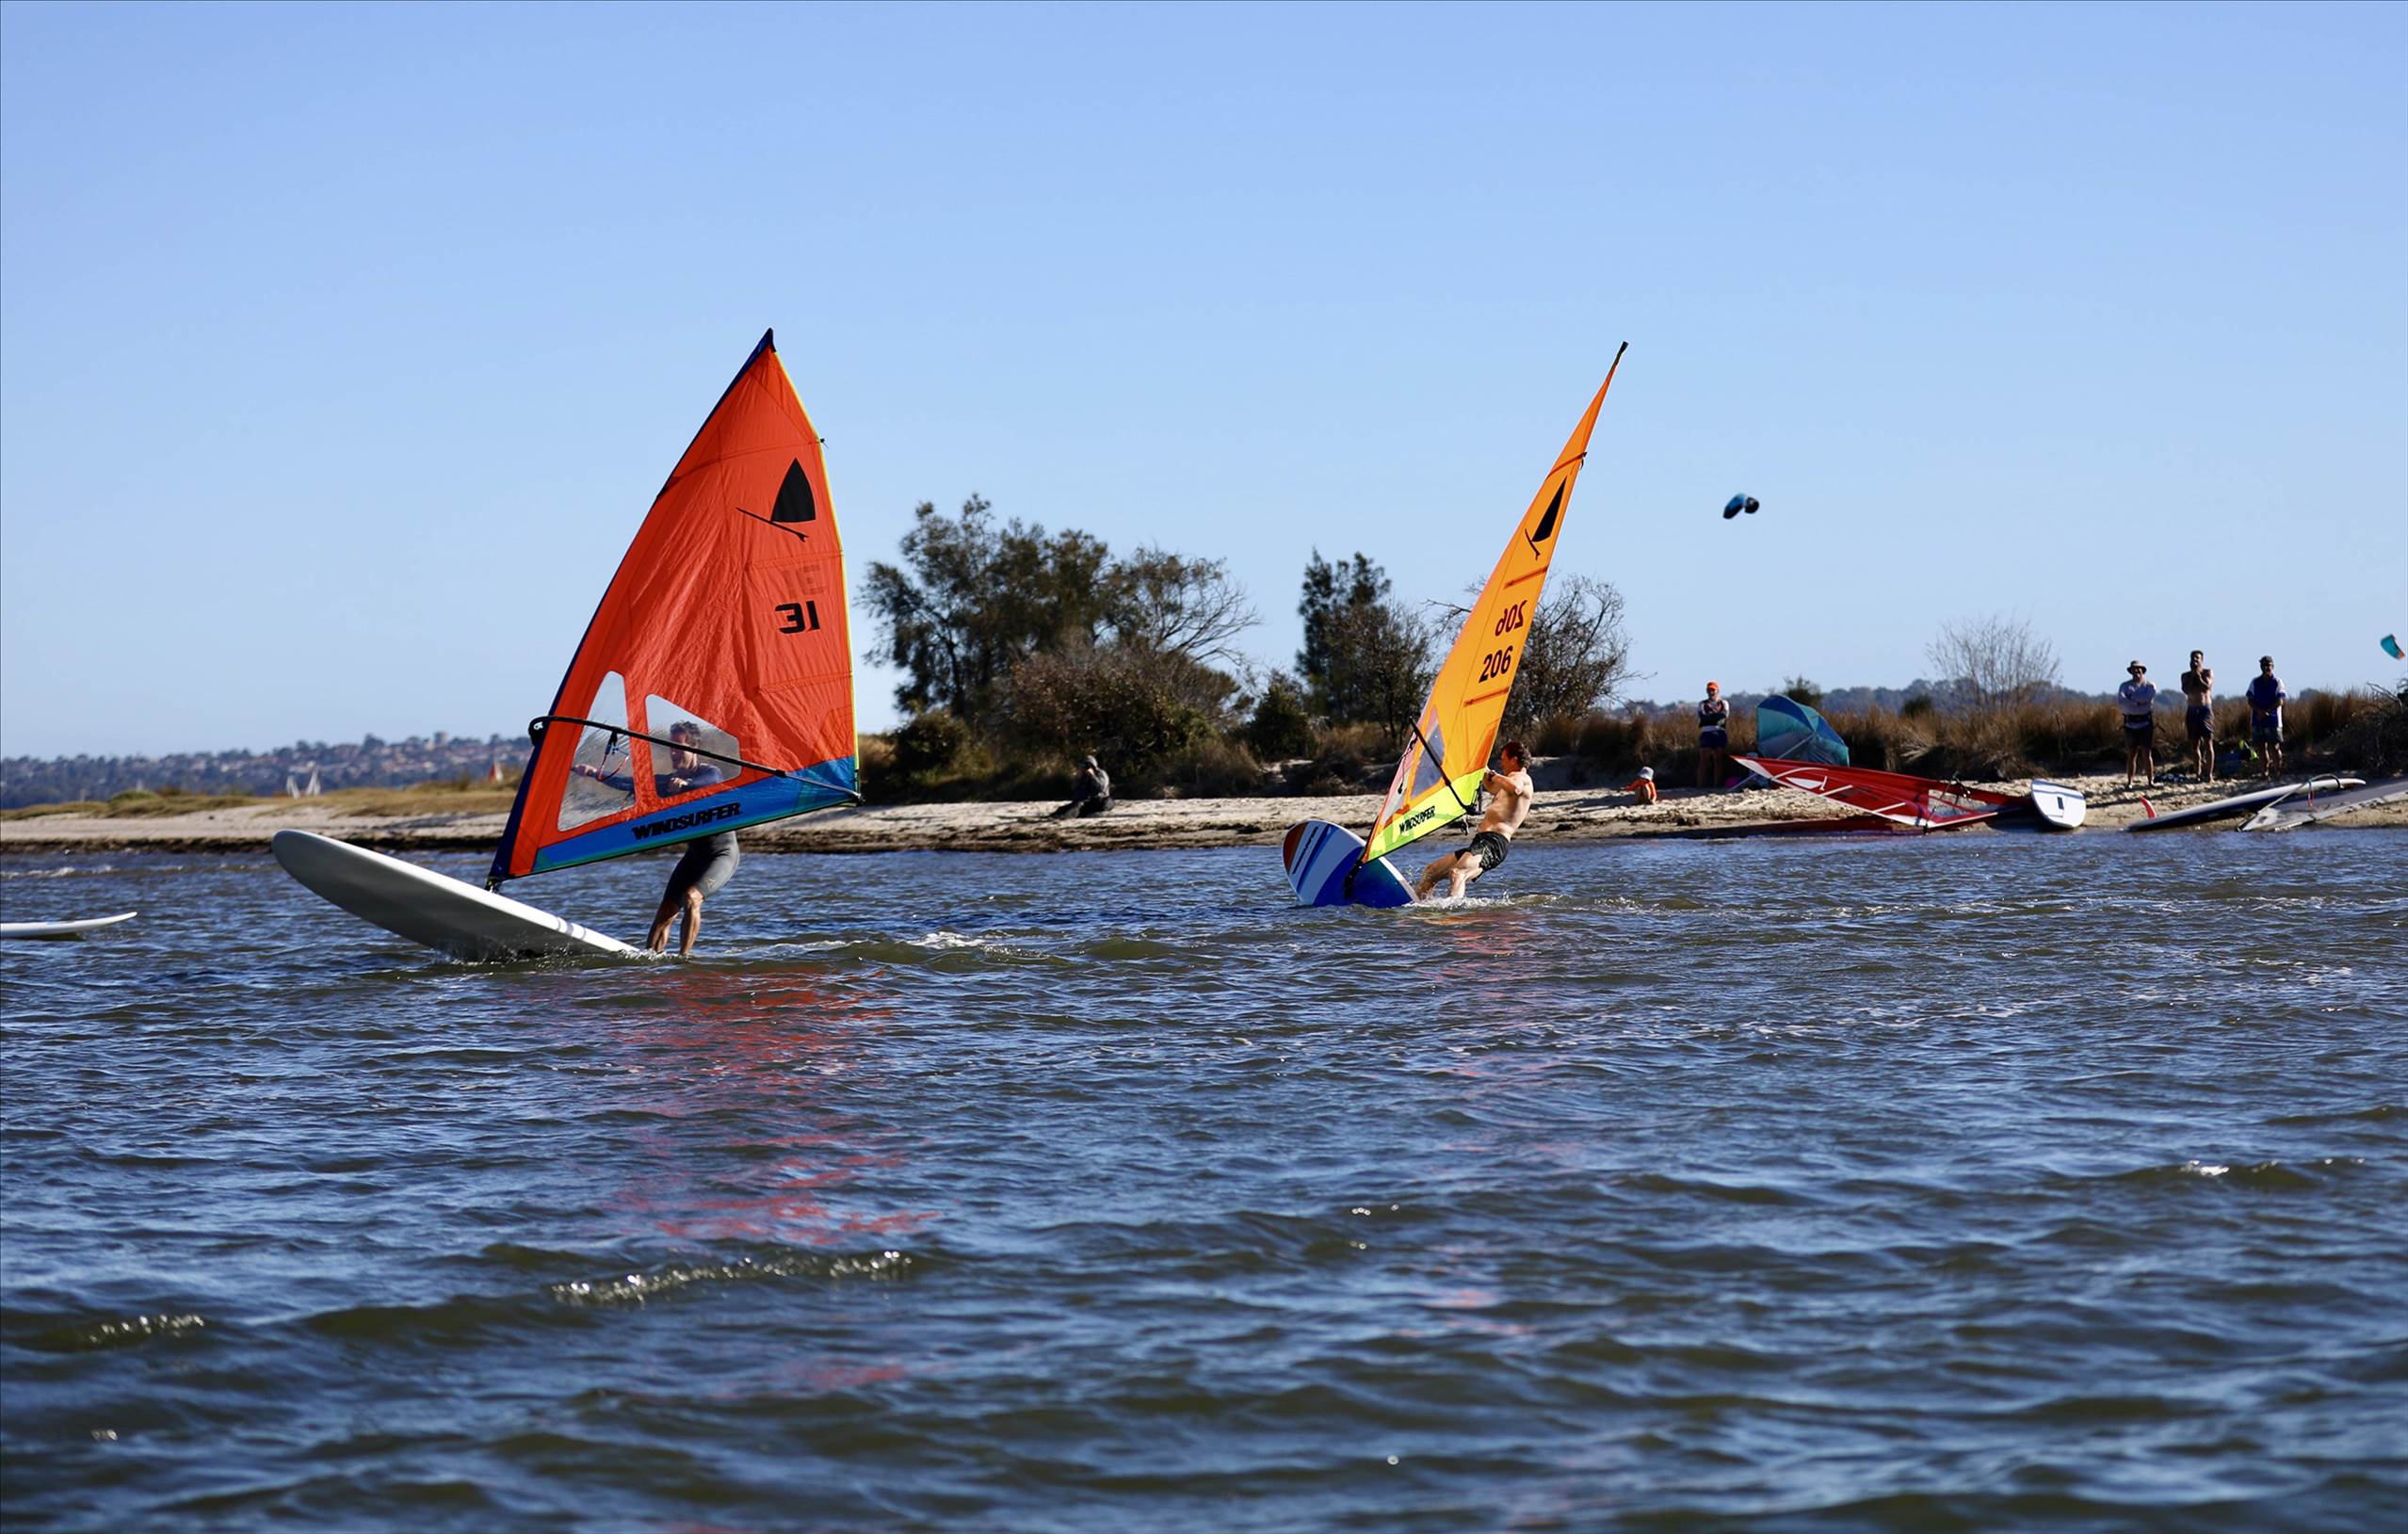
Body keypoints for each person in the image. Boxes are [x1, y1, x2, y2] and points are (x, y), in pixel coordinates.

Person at [573, 719, 735, 956]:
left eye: (679, 747)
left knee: (691, 898)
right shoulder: (668, 782)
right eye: (671, 747)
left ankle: (684, 960)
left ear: (694, 748)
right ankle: (650, 963)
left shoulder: (709, 772)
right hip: (694, 855)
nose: (674, 753)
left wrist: (686, 785)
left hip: (721, 853)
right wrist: (595, 773)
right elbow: (631, 783)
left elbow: (710, 783)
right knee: (665, 912)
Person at [1414, 739, 1535, 901]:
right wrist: (1481, 765)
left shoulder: (1521, 777)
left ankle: (1453, 912)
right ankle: (1418, 906)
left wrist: (1492, 774)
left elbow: (1515, 788)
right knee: (1431, 872)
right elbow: (1491, 787)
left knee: (1457, 873)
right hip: (1482, 841)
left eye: (1503, 759)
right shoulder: (1507, 781)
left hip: (1494, 843)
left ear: (1514, 760)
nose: (1501, 763)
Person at [2245, 656, 2287, 780]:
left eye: (2268, 665)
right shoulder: (2255, 682)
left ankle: (2277, 771)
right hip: (2258, 720)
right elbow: (2250, 700)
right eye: (2263, 665)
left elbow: (2280, 700)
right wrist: (2259, 711)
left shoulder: (2277, 682)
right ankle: (2265, 772)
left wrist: (2267, 712)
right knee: (2261, 748)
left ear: (2272, 666)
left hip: (2273, 720)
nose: (2266, 667)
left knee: (2274, 747)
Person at [2118, 661, 2158, 786]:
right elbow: (2121, 700)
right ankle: (2130, 781)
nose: (2136, 671)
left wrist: (2131, 698)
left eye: (2139, 669)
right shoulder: (2124, 686)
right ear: (2131, 671)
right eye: (2134, 669)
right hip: (2130, 724)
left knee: (2147, 753)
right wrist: (2137, 701)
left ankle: (2150, 781)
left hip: (2146, 723)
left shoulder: (2150, 685)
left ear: (2143, 670)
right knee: (2131, 754)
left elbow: (2148, 698)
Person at [2179, 650, 2215, 782]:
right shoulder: (2185, 676)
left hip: (2205, 710)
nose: (2195, 660)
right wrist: (2192, 677)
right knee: (2194, 744)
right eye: (2193, 658)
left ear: (2202, 660)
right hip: (2192, 710)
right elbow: (2186, 690)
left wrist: (2199, 676)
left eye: (2197, 658)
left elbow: (2207, 688)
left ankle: (2209, 774)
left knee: (2208, 743)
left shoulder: (2207, 672)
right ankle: (2198, 773)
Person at [1053, 754, 1111, 818]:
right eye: (1085, 766)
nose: (1087, 768)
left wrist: (1092, 776)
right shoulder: (1082, 775)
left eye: (1089, 765)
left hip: (1096, 800)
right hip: (1083, 801)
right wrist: (1078, 777)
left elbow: (1100, 788)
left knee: (1077, 807)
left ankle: (1064, 817)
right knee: (1063, 809)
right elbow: (1073, 788)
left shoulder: (1101, 774)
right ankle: (1056, 816)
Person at [1696, 682, 1730, 789]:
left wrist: (1710, 716)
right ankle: (1699, 785)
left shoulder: (1724, 703)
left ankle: (1717, 785)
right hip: (1706, 733)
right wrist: (1715, 717)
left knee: (1718, 760)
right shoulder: (1702, 704)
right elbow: (1703, 717)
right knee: (1703, 760)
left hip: (1719, 732)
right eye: (1709, 690)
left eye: (1713, 690)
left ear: (1717, 691)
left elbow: (1724, 715)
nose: (1711, 692)